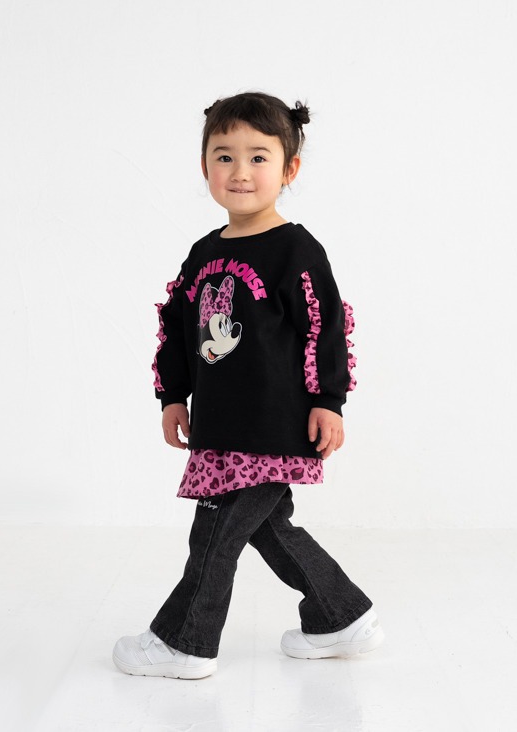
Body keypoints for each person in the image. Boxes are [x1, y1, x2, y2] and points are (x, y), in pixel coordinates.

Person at [112, 92, 384, 680]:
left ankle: (185, 642)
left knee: (214, 531)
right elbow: (179, 327)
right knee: (268, 529)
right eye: (224, 156)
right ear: (204, 166)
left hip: (271, 424)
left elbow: (324, 327)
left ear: (289, 169)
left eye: (258, 157)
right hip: (220, 423)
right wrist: (172, 395)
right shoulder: (204, 253)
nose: (240, 171)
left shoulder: (296, 250)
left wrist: (328, 401)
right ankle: (340, 616)